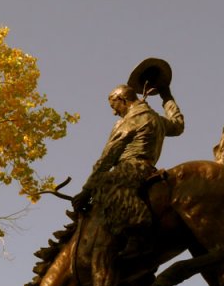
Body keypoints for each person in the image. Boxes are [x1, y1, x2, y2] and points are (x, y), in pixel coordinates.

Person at [71, 81, 184, 256]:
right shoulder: (155, 118)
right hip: (148, 168)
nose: (113, 112)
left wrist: (86, 191)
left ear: (122, 99)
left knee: (104, 185)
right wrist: (166, 96)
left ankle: (137, 230)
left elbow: (107, 158)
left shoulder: (127, 121)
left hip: (131, 168)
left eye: (113, 105)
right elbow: (177, 125)